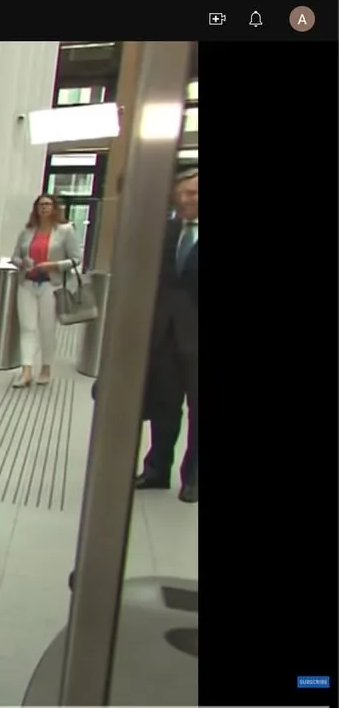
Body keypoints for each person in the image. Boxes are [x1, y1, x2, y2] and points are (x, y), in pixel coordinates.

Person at [136, 168, 198, 503]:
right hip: (165, 337)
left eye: (195, 193)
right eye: (185, 193)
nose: (189, 199)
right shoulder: (166, 231)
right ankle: (157, 469)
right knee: (164, 407)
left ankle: (193, 478)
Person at [10, 194, 84, 387]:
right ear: (35, 208)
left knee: (47, 329)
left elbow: (76, 259)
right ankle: (26, 371)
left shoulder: (65, 231)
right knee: (27, 329)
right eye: (41, 204)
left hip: (51, 285)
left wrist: (55, 265)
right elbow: (15, 256)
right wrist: (22, 262)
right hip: (27, 283)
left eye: (48, 204)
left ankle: (46, 368)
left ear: (54, 208)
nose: (44, 207)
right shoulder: (27, 232)